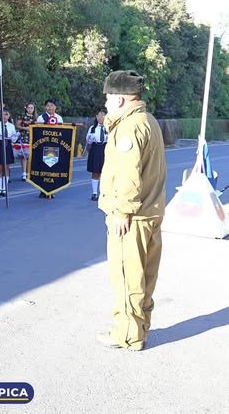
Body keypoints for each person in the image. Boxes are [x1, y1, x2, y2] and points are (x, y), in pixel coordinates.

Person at [96, 70, 166, 352]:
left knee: (126, 276)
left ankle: (126, 335)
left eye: (108, 97)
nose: (106, 103)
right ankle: (140, 327)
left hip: (133, 216)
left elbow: (128, 175)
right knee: (145, 276)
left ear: (121, 99)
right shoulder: (149, 121)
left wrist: (121, 212)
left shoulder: (128, 127)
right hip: (150, 211)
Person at [0, 109, 19, 196]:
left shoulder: (11, 126)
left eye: (6, 114)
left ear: (9, 116)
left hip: (8, 146)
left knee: (6, 168)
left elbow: (13, 139)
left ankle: (4, 188)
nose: (4, 116)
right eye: (3, 114)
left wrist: (16, 136)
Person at [86, 108, 108, 201]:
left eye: (102, 115)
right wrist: (91, 138)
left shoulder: (109, 127)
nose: (100, 117)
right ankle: (95, 193)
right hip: (95, 149)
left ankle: (104, 193)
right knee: (95, 172)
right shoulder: (93, 128)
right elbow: (88, 141)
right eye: (98, 115)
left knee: (106, 172)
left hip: (106, 149)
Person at [15, 102, 36, 180]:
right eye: (29, 108)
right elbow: (17, 125)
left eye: (32, 108)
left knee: (30, 156)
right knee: (24, 155)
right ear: (26, 108)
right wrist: (25, 128)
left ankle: (28, 172)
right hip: (24, 136)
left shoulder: (35, 118)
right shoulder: (22, 116)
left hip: (32, 137)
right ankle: (24, 173)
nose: (30, 109)